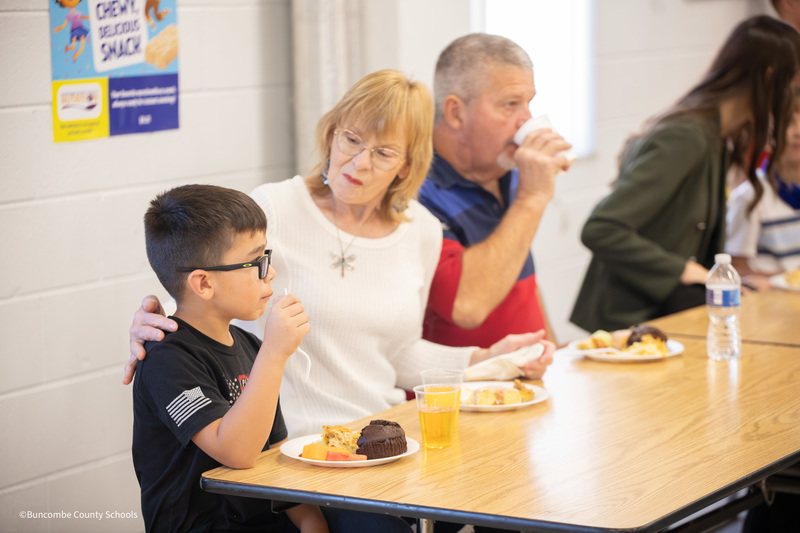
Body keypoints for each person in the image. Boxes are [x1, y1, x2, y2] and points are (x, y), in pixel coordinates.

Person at [125, 70, 554, 440]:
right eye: (351, 139)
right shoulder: (275, 207)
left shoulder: (420, 229)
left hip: (385, 435)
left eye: (383, 153)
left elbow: (397, 353)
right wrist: (157, 321)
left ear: (406, 166)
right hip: (293, 442)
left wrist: (489, 358)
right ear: (332, 134)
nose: (358, 162)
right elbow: (205, 290)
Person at [570, 15, 800, 333]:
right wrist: (687, 270)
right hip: (631, 321)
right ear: (770, 78)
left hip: (669, 313)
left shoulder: (718, 135)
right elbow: (601, 228)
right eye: (792, 87)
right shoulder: (687, 135)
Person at [133, 184, 325, 532]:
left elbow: (275, 454)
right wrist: (276, 352)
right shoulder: (167, 360)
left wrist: (314, 525)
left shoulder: (249, 345)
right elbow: (236, 451)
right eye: (256, 262)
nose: (271, 273)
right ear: (204, 284)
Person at [419, 33, 573, 348]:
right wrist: (532, 199)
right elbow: (467, 307)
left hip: (527, 383)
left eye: (529, 103)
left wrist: (554, 355)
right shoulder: (416, 192)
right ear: (455, 112)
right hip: (461, 392)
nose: (526, 120)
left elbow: (518, 276)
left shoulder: (508, 173)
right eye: (510, 104)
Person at [726, 90, 800, 289]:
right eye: (789, 123)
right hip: (772, 305)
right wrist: (784, 278)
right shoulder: (751, 195)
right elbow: (734, 269)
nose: (798, 132)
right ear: (769, 134)